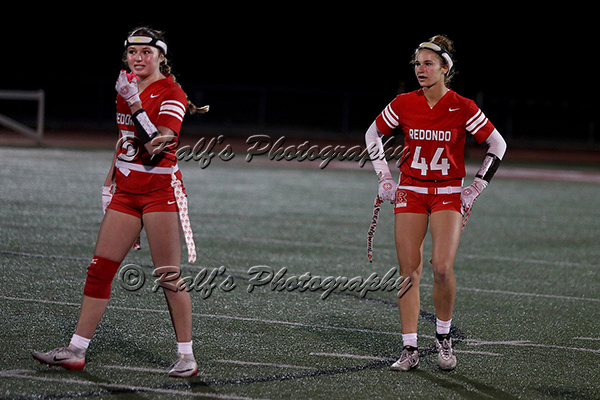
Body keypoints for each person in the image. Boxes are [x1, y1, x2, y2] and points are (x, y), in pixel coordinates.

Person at [32, 27, 208, 378]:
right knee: (99, 270)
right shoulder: (126, 87)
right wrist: (109, 180)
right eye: (132, 52)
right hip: (126, 194)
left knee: (168, 276)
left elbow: (157, 145)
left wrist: (135, 102)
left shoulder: (171, 92)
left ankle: (186, 356)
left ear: (161, 57)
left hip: (159, 194)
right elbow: (125, 139)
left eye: (146, 52)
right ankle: (76, 350)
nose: (137, 58)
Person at [365, 35, 507, 371]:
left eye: (428, 63)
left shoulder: (462, 106)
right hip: (411, 190)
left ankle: (443, 336)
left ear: (445, 68)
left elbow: (497, 144)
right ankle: (409, 347)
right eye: (417, 63)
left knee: (442, 267)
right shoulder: (404, 103)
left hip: (447, 192)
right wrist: (384, 178)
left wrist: (476, 187)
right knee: (408, 271)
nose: (420, 69)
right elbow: (372, 134)